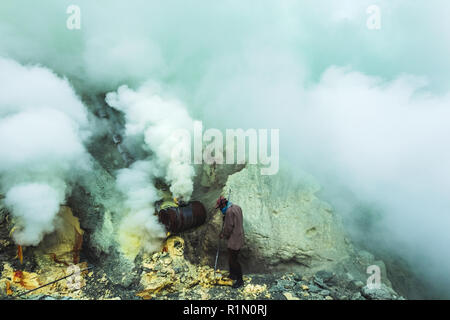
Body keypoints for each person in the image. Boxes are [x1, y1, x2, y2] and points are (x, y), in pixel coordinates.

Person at [216, 195, 245, 288]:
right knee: (231, 257)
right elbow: (236, 220)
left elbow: (228, 228)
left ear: (224, 204)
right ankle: (232, 275)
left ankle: (240, 280)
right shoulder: (237, 207)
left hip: (234, 239)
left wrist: (222, 235)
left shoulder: (228, 211)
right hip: (240, 235)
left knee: (234, 260)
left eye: (220, 207)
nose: (220, 209)